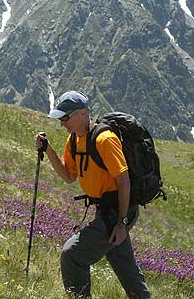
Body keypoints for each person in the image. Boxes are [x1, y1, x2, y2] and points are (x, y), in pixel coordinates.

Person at [36, 90, 151, 298]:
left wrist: (121, 223)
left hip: (117, 212)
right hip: (107, 211)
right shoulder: (74, 140)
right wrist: (48, 149)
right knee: (126, 269)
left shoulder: (104, 139)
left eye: (65, 117)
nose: (63, 123)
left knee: (72, 256)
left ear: (82, 114)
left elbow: (123, 181)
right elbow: (68, 175)